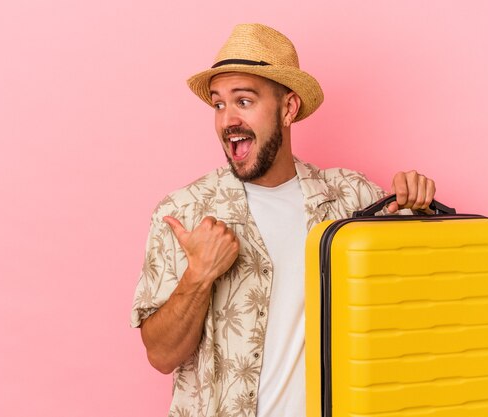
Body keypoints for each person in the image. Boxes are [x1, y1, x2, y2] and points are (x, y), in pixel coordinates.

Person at [131, 23, 436, 417]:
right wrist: (199, 276)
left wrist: (417, 203)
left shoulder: (351, 199)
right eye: (219, 104)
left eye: (244, 101)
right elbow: (160, 355)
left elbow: (415, 300)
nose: (227, 121)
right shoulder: (185, 211)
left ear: (288, 108)